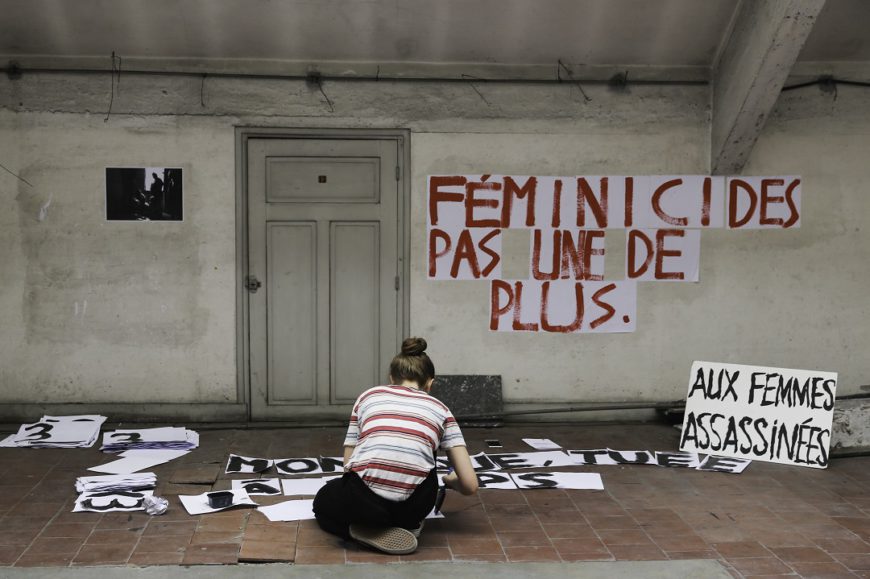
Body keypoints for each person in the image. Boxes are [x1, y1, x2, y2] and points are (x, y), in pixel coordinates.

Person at [313, 337, 478, 555]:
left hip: (363, 503)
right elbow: (470, 485)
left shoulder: (368, 397)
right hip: (412, 508)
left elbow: (348, 465)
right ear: (430, 383)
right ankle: (407, 527)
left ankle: (358, 530)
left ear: (391, 378)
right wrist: (450, 481)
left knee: (322, 504)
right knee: (430, 453)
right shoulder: (442, 410)